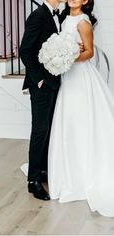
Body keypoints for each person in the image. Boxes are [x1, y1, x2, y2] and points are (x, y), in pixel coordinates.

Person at [48, 0, 114, 217]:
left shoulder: (83, 22)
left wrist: (68, 57)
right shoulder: (64, 18)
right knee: (69, 122)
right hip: (68, 76)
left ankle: (83, 173)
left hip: (80, 76)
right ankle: (69, 168)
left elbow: (89, 53)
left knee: (81, 120)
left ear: (86, 1)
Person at [19, 0, 67, 201]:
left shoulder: (58, 15)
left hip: (55, 81)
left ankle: (44, 170)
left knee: (49, 128)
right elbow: (24, 50)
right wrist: (38, 79)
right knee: (40, 130)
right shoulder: (38, 15)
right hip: (42, 84)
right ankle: (33, 181)